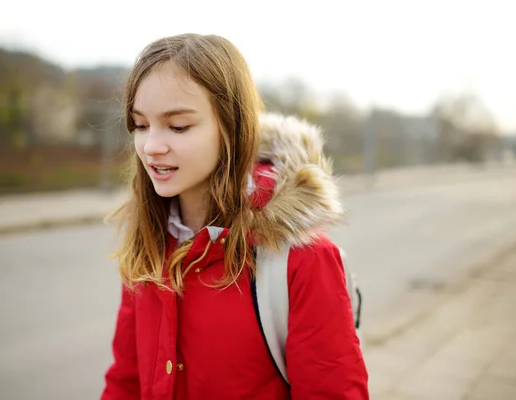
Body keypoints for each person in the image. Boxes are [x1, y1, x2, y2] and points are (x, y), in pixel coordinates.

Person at [101, 33, 369, 400]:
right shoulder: (149, 242)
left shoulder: (302, 257)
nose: (151, 146)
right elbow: (125, 383)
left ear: (232, 126)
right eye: (141, 125)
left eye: (178, 126)